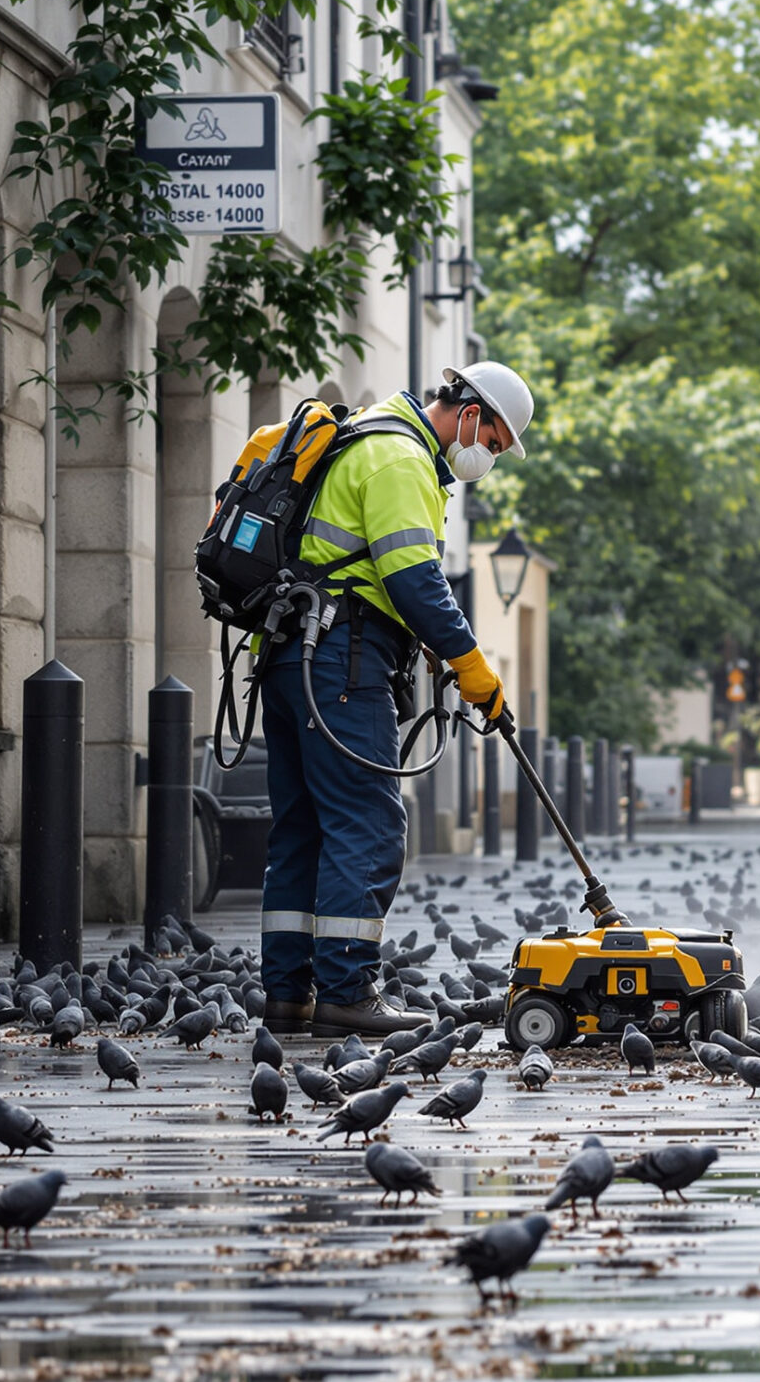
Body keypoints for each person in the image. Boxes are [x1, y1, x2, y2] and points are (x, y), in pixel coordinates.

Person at [258, 362, 534, 1038]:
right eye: (493, 442)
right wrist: (473, 667)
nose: (488, 457)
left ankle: (289, 994)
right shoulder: (399, 456)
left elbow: (370, 568)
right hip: (342, 662)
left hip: (295, 653)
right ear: (469, 411)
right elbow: (414, 580)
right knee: (367, 822)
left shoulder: (365, 439)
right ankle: (348, 990)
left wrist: (434, 651)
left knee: (302, 828)